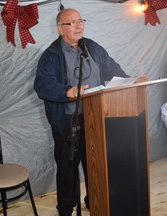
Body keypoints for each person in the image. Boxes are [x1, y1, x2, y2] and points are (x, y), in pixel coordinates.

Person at [34, 8, 148, 216]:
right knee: (68, 169)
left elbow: (112, 69)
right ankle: (66, 209)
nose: (79, 26)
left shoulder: (92, 47)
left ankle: (94, 200)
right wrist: (65, 91)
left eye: (81, 21)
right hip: (69, 120)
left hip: (97, 116)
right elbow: (42, 85)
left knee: (96, 162)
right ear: (60, 29)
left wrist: (131, 81)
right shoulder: (51, 55)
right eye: (73, 23)